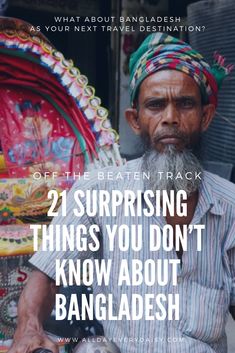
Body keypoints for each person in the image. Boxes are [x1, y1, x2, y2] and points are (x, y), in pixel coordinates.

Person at [8, 33, 235, 353]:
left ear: (206, 116)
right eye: (155, 105)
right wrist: (29, 329)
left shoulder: (229, 205)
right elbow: (47, 273)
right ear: (135, 121)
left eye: (185, 104)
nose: (170, 117)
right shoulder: (96, 191)